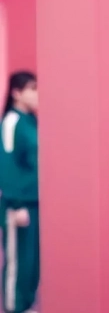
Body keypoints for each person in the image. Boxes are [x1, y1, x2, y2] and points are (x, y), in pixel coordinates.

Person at [0, 71, 39, 313]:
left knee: (32, 262)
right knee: (18, 262)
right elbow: (7, 166)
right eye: (33, 88)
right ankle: (15, 308)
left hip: (35, 204)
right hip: (19, 206)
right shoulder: (11, 122)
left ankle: (27, 306)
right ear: (16, 93)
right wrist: (16, 205)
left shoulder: (31, 121)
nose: (38, 94)